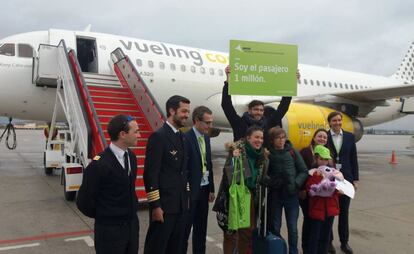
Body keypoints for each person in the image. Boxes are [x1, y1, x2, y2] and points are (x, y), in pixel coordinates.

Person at [76, 114, 140, 254]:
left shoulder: (132, 157)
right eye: (136, 132)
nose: (139, 135)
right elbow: (83, 201)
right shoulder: (99, 164)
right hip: (109, 232)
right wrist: (106, 215)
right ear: (123, 134)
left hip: (131, 227)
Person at [143, 95, 191, 254]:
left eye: (188, 112)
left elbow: (183, 173)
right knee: (157, 247)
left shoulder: (182, 137)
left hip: (181, 206)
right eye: (184, 111)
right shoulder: (159, 137)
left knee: (176, 248)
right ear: (172, 111)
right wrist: (155, 206)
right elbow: (150, 174)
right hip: (164, 207)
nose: (186, 115)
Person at [214, 126, 268, 254]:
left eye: (261, 138)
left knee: (246, 234)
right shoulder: (236, 151)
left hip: (250, 198)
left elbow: (260, 178)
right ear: (248, 138)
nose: (259, 140)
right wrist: (234, 160)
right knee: (230, 234)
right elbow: (228, 177)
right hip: (234, 196)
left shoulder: (263, 156)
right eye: (256, 137)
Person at [221, 65, 299, 145]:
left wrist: (291, 84)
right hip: (244, 157)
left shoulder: (268, 124)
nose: (259, 112)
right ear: (249, 110)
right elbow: (226, 105)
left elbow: (283, 107)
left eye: (261, 110)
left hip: (262, 157)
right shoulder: (239, 123)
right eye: (256, 109)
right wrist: (228, 81)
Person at [267, 127, 308, 254]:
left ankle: (293, 251)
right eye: (278, 138)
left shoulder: (292, 152)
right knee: (275, 226)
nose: (281, 140)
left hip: (291, 195)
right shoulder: (268, 153)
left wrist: (296, 184)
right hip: (276, 195)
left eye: (283, 137)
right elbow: (264, 173)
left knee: (292, 227)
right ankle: (278, 250)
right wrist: (272, 181)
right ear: (272, 140)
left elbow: (303, 171)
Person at [181, 106, 215, 254]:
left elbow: (209, 163)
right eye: (207, 123)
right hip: (190, 191)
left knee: (201, 228)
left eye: (211, 122)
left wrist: (211, 188)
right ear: (196, 121)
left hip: (204, 189)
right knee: (185, 229)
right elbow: (183, 168)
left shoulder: (206, 138)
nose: (210, 126)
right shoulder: (185, 138)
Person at [326, 111, 359, 254]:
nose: (337, 123)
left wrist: (355, 179)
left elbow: (353, 159)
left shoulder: (350, 137)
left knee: (344, 212)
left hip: (346, 179)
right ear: (329, 122)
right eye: (334, 120)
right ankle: (329, 242)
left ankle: (344, 242)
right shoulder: (325, 137)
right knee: (330, 212)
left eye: (339, 120)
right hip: (330, 179)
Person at [299, 129, 334, 254]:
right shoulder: (305, 151)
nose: (322, 139)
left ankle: (324, 247)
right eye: (320, 136)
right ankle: (306, 248)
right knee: (309, 222)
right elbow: (301, 171)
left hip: (325, 199)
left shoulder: (329, 155)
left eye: (325, 137)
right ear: (314, 137)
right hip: (308, 194)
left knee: (322, 226)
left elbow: (333, 175)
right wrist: (303, 188)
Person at [306, 145, 341, 254]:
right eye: (321, 159)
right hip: (317, 209)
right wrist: (318, 177)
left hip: (330, 209)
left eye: (326, 159)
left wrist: (337, 190)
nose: (324, 162)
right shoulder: (313, 173)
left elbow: (337, 187)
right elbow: (310, 189)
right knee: (314, 236)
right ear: (316, 159)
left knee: (326, 237)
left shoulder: (332, 173)